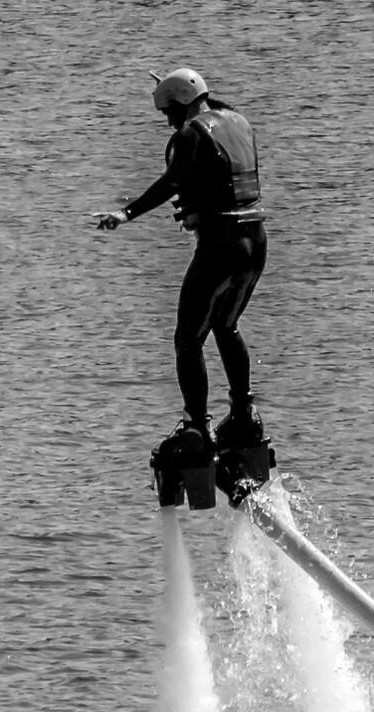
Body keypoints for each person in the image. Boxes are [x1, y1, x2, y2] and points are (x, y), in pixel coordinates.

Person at [91, 68, 269, 460]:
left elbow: (173, 181)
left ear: (178, 104)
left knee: (187, 338)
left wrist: (126, 213)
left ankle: (197, 427)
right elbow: (220, 178)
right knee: (226, 326)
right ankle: (244, 415)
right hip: (255, 243)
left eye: (168, 112)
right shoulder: (237, 121)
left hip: (220, 246)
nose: (168, 121)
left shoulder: (189, 136)